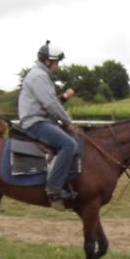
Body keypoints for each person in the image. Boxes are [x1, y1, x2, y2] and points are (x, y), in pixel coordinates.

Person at [18, 40, 78, 202]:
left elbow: (51, 102)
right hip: (36, 122)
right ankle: (54, 188)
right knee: (68, 144)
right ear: (48, 61)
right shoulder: (39, 76)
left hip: (40, 120)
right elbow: (50, 104)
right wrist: (67, 121)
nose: (58, 66)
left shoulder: (40, 75)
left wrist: (64, 100)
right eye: (57, 63)